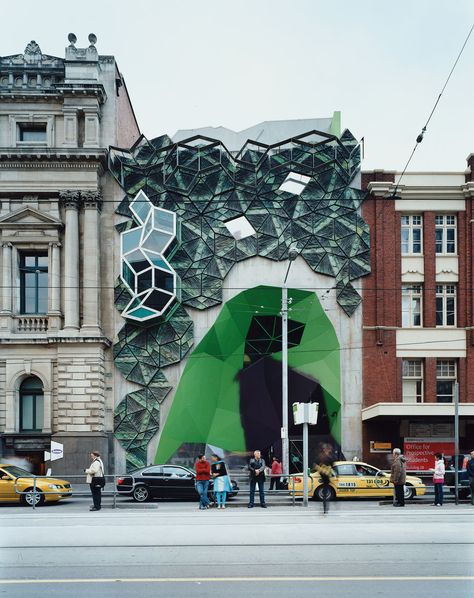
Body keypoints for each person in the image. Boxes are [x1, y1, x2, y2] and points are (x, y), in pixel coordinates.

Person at [314, 443, 335, 514]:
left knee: (326, 494)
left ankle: (325, 508)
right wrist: (326, 470)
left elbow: (315, 465)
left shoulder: (320, 457)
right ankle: (325, 509)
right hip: (326, 478)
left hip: (324, 478)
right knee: (326, 494)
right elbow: (332, 465)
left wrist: (322, 470)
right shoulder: (328, 458)